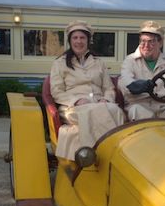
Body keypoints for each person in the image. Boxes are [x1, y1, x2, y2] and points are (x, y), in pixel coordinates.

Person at [50, 20, 125, 160]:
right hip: (71, 107)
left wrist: (106, 99)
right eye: (75, 38)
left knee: (116, 110)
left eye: (82, 38)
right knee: (92, 111)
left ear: (88, 40)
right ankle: (100, 156)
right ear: (70, 41)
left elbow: (108, 87)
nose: (79, 41)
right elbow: (56, 91)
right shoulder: (59, 63)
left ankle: (118, 153)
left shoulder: (98, 62)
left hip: (98, 102)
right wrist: (76, 100)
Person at [118, 20, 165, 120]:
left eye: (151, 41)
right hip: (139, 104)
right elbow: (126, 82)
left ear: (160, 43)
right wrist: (138, 85)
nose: (145, 46)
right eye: (143, 41)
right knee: (136, 111)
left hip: (164, 105)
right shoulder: (130, 60)